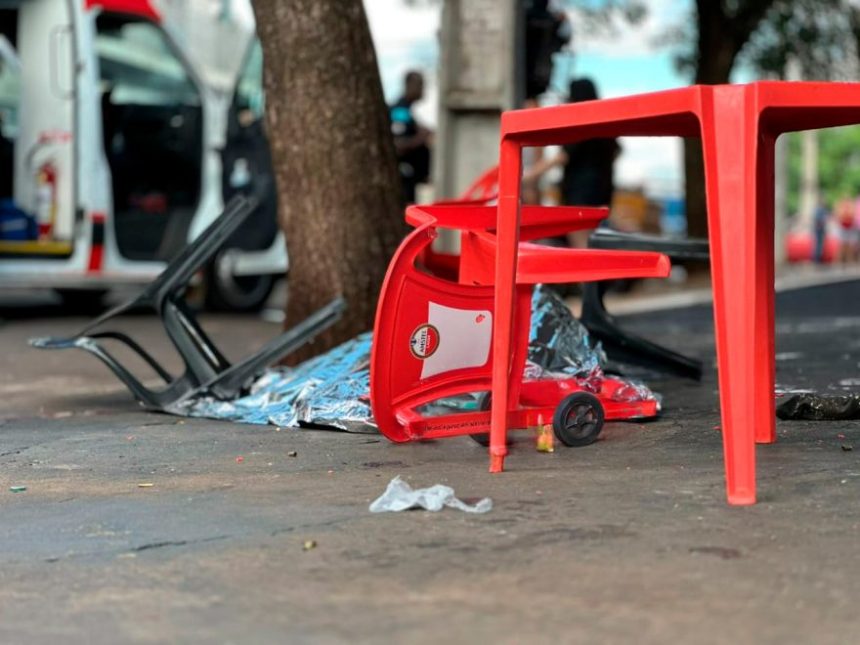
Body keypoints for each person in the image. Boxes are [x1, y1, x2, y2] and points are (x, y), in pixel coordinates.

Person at [523, 78, 620, 247]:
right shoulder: (604, 122)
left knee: (581, 246)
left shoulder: (583, 121)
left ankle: (590, 274)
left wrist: (528, 175)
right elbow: (618, 151)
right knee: (591, 243)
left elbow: (561, 156)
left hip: (580, 196)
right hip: (602, 193)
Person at [390, 70, 432, 204]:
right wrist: (421, 137)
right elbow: (399, 145)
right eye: (420, 85)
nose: (423, 90)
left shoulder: (408, 111)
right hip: (405, 177)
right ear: (409, 85)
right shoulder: (400, 111)